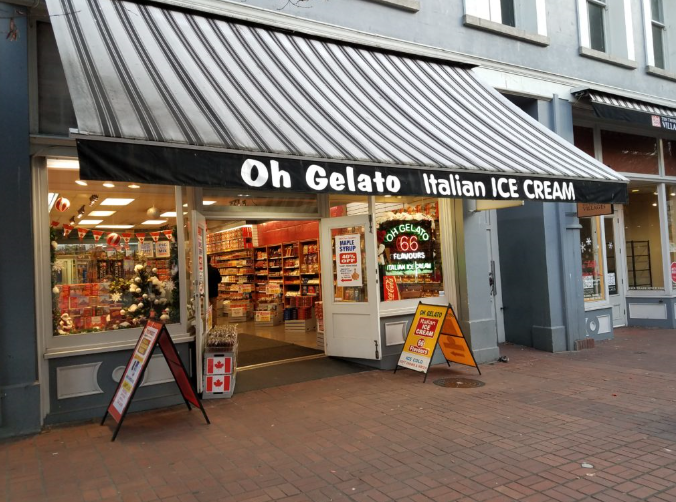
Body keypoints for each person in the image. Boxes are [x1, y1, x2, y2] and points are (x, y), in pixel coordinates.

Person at [207, 256, 221, 328]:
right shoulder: (215, 270)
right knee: (214, 308)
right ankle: (214, 324)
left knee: (205, 308)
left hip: (205, 292)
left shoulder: (202, 271)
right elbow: (219, 280)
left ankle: (207, 324)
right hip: (213, 292)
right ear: (210, 261)